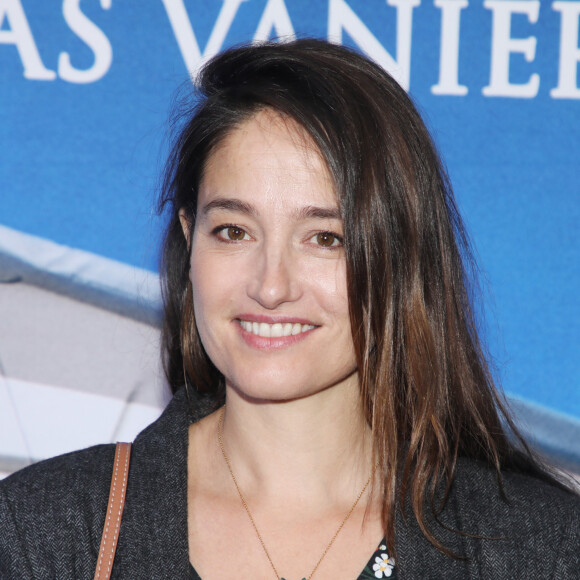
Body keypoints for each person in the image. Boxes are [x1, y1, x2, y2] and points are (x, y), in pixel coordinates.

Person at [1, 39, 578, 580]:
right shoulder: (43, 533)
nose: (270, 286)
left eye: (325, 238)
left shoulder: (538, 549)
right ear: (188, 239)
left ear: (399, 256)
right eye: (233, 231)